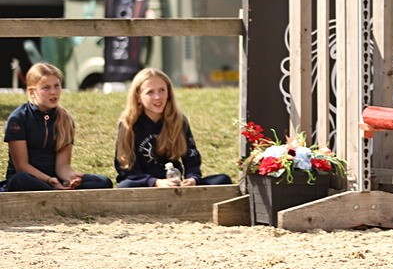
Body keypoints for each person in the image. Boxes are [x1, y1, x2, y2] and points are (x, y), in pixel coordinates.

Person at [114, 68, 232, 188]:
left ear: (169, 93)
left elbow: (191, 157)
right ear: (138, 97)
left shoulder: (179, 120)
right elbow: (125, 168)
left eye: (162, 90)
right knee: (125, 186)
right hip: (145, 185)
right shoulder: (128, 124)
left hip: (175, 184)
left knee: (222, 179)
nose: (157, 97)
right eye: (150, 92)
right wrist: (155, 182)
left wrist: (193, 178)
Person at [3, 62, 112, 192]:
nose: (53, 92)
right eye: (46, 88)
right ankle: (59, 195)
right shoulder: (18, 118)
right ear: (32, 91)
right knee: (20, 180)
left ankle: (60, 194)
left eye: (57, 86)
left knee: (103, 182)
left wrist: (70, 178)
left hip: (55, 180)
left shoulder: (65, 119)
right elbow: (21, 166)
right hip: (30, 179)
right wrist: (50, 181)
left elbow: (63, 166)